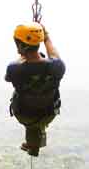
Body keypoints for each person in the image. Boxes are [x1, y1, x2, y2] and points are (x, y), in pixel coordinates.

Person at [5, 22, 65, 157]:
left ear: (21, 46)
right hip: (48, 113)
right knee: (36, 119)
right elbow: (53, 55)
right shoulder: (57, 67)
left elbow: (9, 76)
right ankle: (33, 145)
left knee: (31, 118)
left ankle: (33, 145)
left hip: (23, 114)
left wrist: (25, 55)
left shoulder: (14, 69)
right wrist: (46, 37)